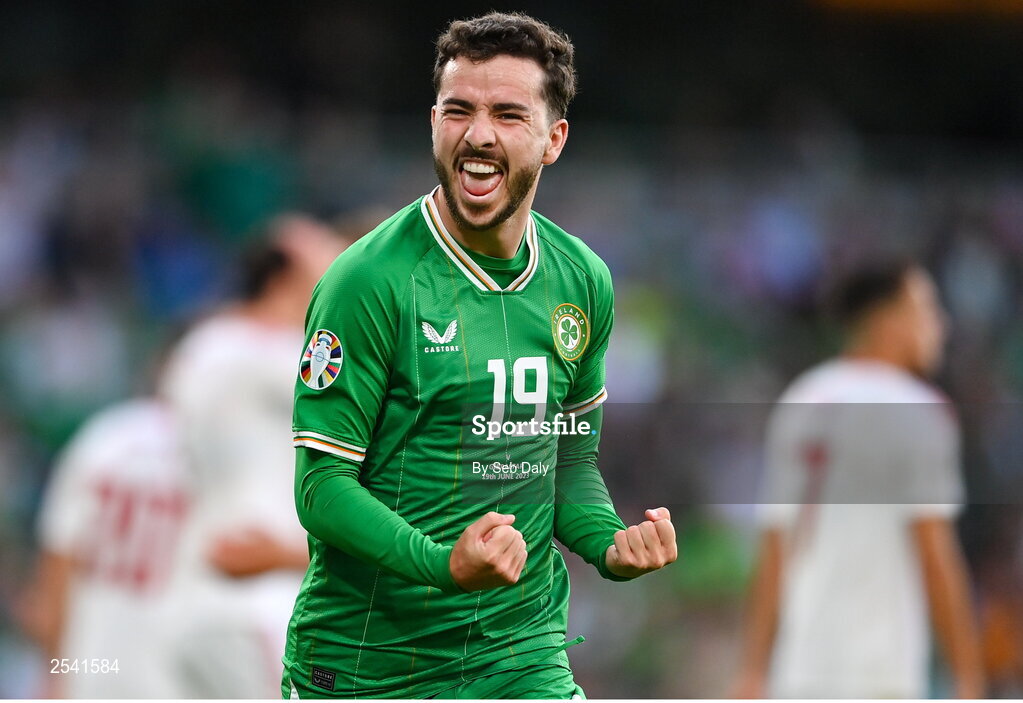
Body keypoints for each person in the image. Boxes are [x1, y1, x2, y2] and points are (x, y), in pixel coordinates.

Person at [282, 11, 677, 700]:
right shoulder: (368, 279)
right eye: (458, 110)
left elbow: (567, 462)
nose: (478, 134)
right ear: (433, 120)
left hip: (520, 655)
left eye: (507, 114)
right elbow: (320, 489)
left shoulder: (582, 280)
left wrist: (610, 544)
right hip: (371, 661)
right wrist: (442, 564)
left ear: (553, 139)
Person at [734, 260, 985, 698]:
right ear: (886, 320)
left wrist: (753, 669)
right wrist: (968, 673)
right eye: (925, 309)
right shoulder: (919, 410)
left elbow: (776, 546)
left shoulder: (801, 403)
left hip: (802, 664)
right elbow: (933, 546)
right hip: (882, 668)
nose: (939, 325)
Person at [159, 213, 349, 698]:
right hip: (252, 605)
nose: (343, 255)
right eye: (324, 244)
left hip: (201, 603)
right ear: (285, 268)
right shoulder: (262, 353)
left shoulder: (209, 346)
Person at [19, 396, 189, 698]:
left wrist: (53, 674)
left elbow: (58, 563)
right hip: (179, 673)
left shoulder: (105, 437)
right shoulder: (222, 447)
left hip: (92, 665)